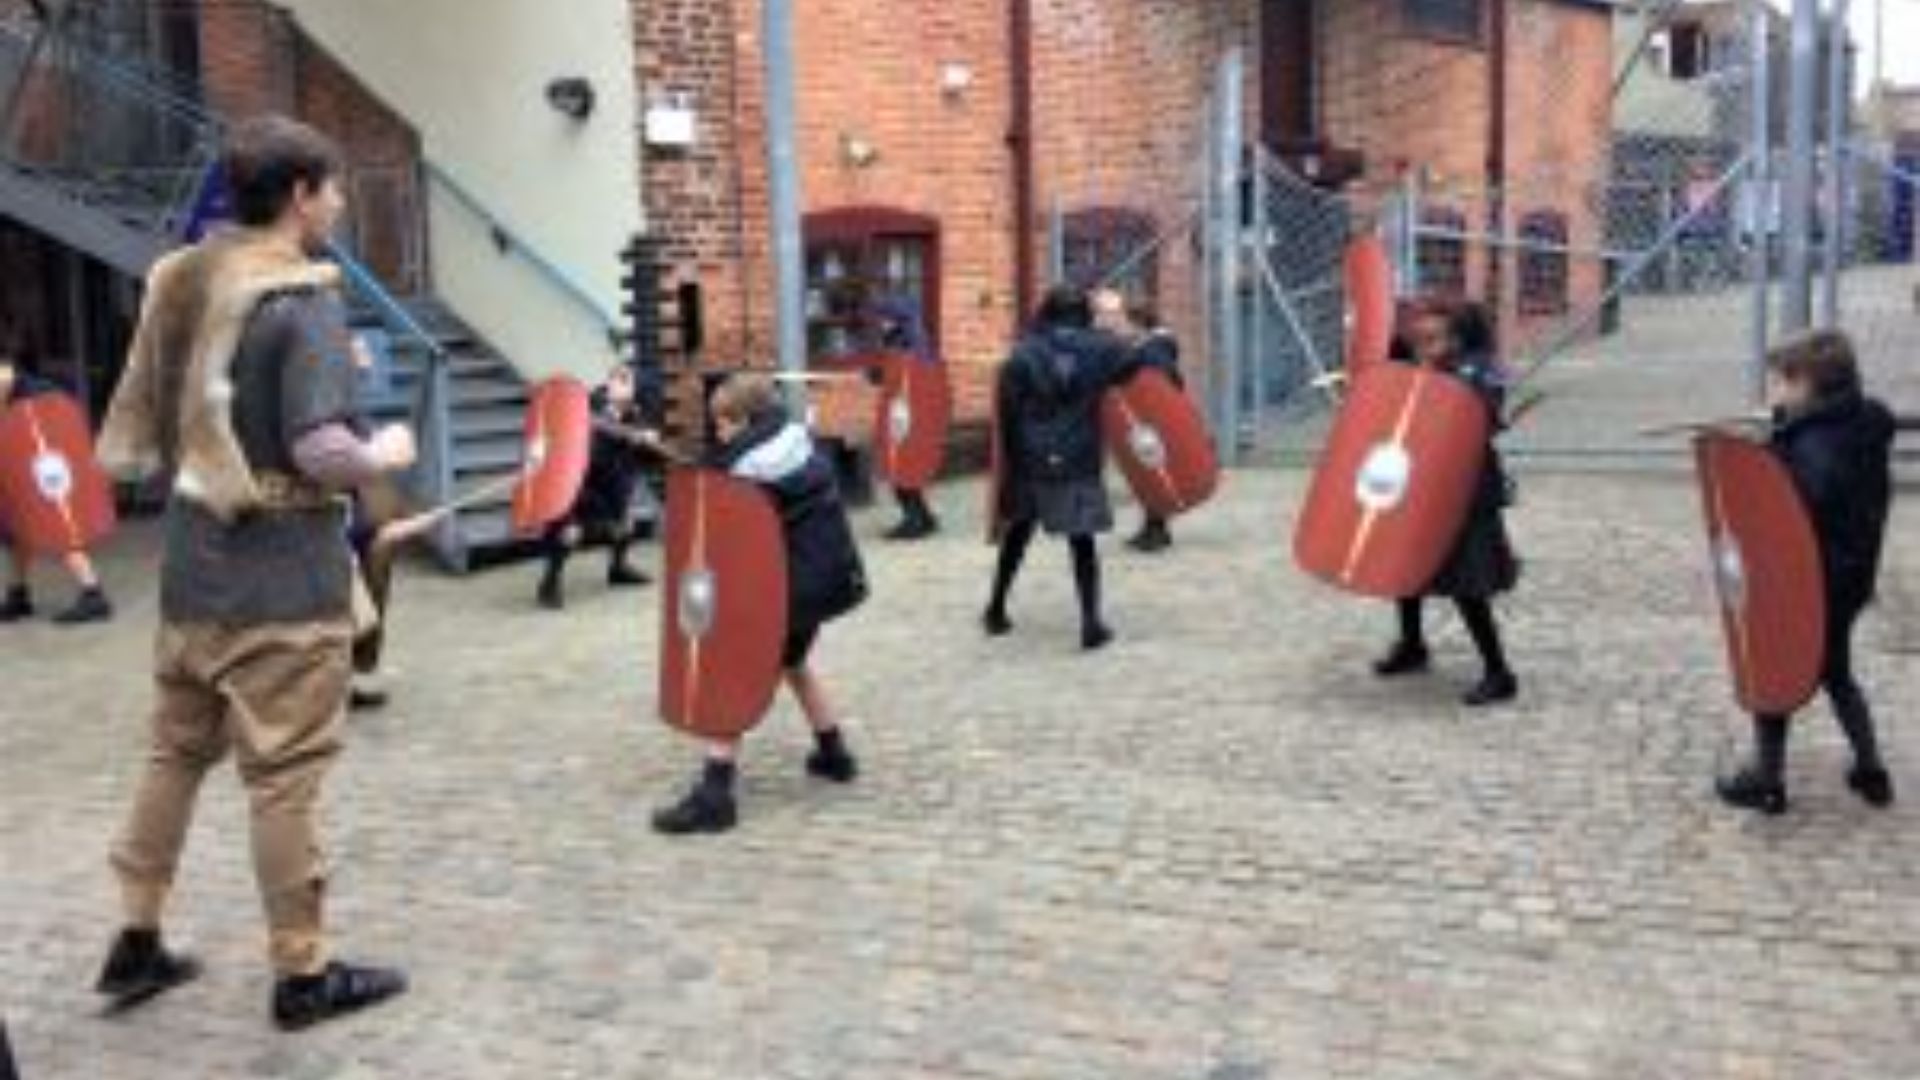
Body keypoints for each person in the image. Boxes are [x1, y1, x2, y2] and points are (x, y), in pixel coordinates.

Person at [92, 115, 410, 1029]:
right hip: (281, 583)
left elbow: (149, 417)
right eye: (335, 188)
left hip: (194, 570)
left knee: (174, 754)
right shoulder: (301, 298)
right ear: (301, 194)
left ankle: (138, 938)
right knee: (285, 776)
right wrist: (384, 447)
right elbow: (319, 448)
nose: (341, 203)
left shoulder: (183, 276)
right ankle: (303, 972)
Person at [653, 373, 868, 835]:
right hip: (822, 585)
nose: (720, 433)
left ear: (746, 420)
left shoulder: (749, 475)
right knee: (794, 665)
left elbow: (733, 532)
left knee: (736, 673)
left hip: (785, 592)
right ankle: (833, 753)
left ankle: (715, 795)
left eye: (724, 424)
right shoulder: (798, 444)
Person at [1716, 329, 1897, 815]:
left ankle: (1768, 780)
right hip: (1853, 576)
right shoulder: (1866, 420)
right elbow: (1833, 434)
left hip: (1810, 577)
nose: (1774, 391)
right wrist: (1784, 427)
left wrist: (1773, 449)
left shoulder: (1812, 448)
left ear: (1806, 384)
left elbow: (1790, 511)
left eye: (1779, 383)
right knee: (1835, 669)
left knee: (1775, 665)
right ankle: (1870, 768)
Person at [1372, 300, 1521, 708]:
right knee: (1407, 569)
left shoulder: (1482, 371)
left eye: (1433, 338)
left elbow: (1477, 415)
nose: (1423, 346)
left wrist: (1436, 376)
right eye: (1419, 338)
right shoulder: (1420, 365)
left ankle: (1498, 671)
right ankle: (1413, 644)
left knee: (1467, 581)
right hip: (1418, 478)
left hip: (1465, 488)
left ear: (1459, 336)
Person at [983, 285, 1138, 651]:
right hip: (1077, 456)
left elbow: (1006, 414)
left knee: (1016, 537)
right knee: (1081, 541)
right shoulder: (1102, 348)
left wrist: (1009, 466)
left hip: (1031, 459)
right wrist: (1112, 325)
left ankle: (996, 608)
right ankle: (1090, 623)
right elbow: (1132, 366)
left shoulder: (1023, 353)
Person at [0, 356, 114, 625]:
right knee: (13, 519)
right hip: (27, 424)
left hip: (37, 422)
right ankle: (18, 593)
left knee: (52, 511)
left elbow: (4, 378)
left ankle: (93, 593)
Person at [536, 362, 658, 610]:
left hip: (608, 492)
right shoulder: (587, 408)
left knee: (625, 524)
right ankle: (549, 583)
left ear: (635, 391)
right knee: (568, 534)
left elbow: (642, 463)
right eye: (613, 377)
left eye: (623, 379)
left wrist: (645, 442)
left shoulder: (636, 417)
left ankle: (618, 569)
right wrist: (622, 435)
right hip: (575, 490)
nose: (613, 381)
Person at [1094, 290, 1183, 554]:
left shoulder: (1155, 348)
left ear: (1137, 323)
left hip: (1154, 420)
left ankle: (1156, 531)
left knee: (1154, 472)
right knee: (1149, 472)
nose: (1120, 326)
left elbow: (1160, 383)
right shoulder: (1150, 346)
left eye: (1123, 321)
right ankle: (1153, 528)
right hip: (1148, 420)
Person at [872, 297, 942, 541]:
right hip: (908, 415)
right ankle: (923, 517)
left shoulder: (907, 345)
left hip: (906, 416)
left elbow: (898, 378)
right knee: (906, 471)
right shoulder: (912, 342)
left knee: (902, 471)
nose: (881, 324)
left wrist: (878, 374)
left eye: (885, 319)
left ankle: (914, 521)